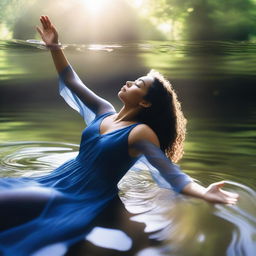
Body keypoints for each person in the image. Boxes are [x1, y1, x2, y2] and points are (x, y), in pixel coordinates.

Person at [0, 16, 239, 256]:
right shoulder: (104, 111)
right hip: (55, 179)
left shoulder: (140, 133)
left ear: (145, 102)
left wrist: (203, 193)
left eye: (138, 84)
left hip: (79, 196)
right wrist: (54, 47)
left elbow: (172, 175)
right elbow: (72, 80)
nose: (129, 81)